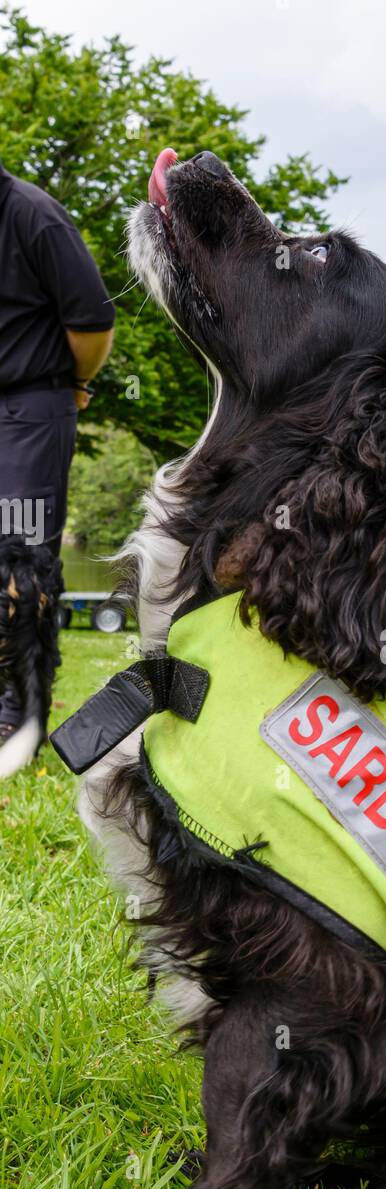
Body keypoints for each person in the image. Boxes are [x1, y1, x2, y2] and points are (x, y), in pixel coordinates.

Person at [0, 157, 114, 751]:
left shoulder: (34, 216)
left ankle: (18, 712)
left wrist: (74, 386)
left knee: (20, 561)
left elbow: (92, 322)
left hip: (30, 406)